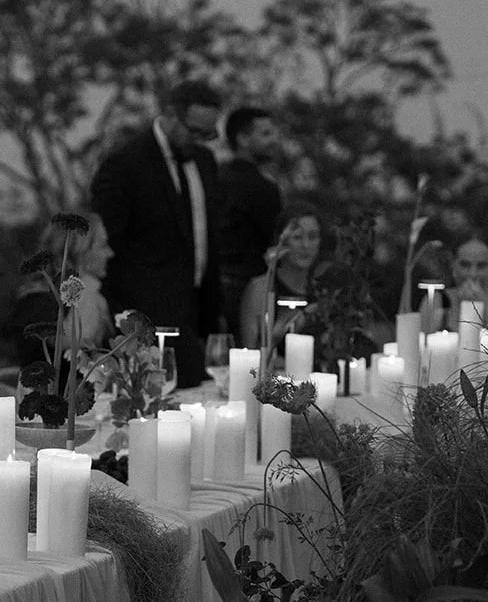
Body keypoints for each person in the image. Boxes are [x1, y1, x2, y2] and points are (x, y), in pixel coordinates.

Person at [91, 80, 224, 387]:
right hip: (144, 319)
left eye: (210, 134)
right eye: (196, 131)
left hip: (195, 313)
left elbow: (207, 236)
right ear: (170, 115)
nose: (203, 141)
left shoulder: (204, 161)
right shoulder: (125, 164)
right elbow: (104, 245)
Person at [12, 212, 114, 374]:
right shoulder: (37, 302)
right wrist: (85, 284)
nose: (110, 253)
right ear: (79, 251)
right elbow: (74, 344)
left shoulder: (99, 298)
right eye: (102, 245)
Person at [217, 107, 284, 336]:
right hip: (247, 290)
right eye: (265, 134)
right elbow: (273, 239)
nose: (273, 140)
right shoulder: (262, 187)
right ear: (243, 139)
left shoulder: (217, 177)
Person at [238, 212, 322, 352]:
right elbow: (250, 356)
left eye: (312, 237)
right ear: (281, 241)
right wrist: (275, 336)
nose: (305, 245)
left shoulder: (323, 290)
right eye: (297, 237)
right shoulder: (261, 289)